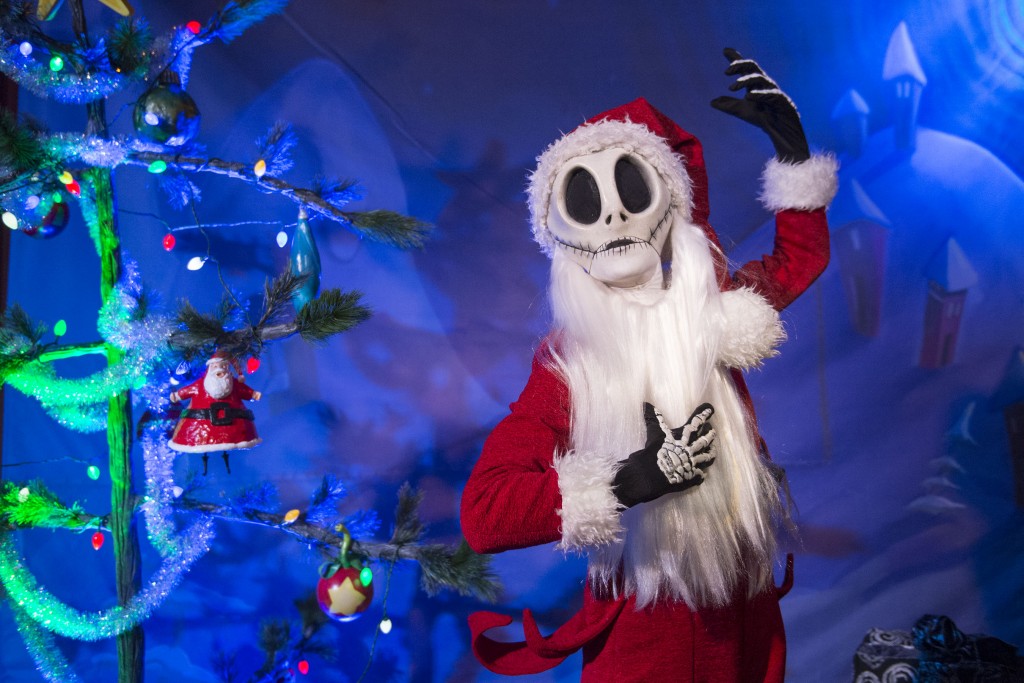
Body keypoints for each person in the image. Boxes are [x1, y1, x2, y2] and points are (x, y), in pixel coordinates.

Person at [460, 49, 837, 681]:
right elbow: (485, 514)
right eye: (586, 199)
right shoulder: (567, 367)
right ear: (563, 237)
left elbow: (800, 260)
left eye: (631, 187)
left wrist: (797, 167)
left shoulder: (711, 315)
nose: (611, 214)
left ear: (670, 203)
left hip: (741, 606)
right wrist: (622, 484)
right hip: (646, 622)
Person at [168, 350, 261, 474]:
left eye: (223, 366)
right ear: (210, 367)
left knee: (229, 448)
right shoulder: (201, 384)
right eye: (216, 366)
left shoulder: (233, 384)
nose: (220, 369)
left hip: (235, 427)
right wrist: (178, 395)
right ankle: (206, 464)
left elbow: (244, 390)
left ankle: (226, 465)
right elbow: (190, 389)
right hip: (199, 428)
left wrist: (253, 394)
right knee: (203, 449)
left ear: (227, 367)